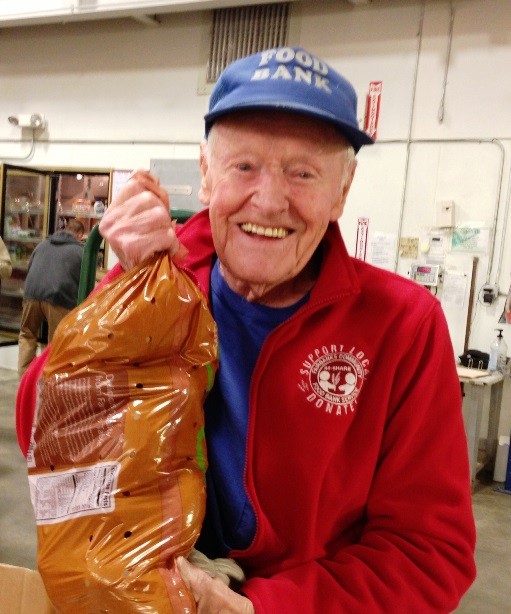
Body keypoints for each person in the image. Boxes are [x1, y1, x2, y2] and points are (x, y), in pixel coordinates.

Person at [16, 47, 476, 612]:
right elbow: (40, 434)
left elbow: (430, 553)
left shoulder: (402, 325)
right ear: (207, 177)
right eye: (244, 166)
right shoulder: (160, 285)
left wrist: (261, 607)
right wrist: (124, 290)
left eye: (302, 172)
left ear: (343, 190)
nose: (269, 198)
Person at [17, 218, 84, 376]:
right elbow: (85, 282)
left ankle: (24, 382)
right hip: (58, 297)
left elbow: (30, 268)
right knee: (56, 342)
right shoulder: (81, 252)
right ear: (80, 235)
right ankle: (49, 383)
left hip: (31, 294)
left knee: (27, 334)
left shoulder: (42, 245)